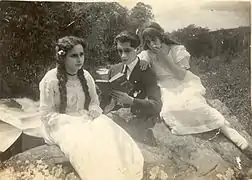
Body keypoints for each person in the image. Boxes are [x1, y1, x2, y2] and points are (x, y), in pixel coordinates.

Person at [137, 22, 252, 159]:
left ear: (161, 36)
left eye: (154, 40)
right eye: (148, 42)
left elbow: (180, 75)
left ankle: (229, 132)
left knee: (195, 104)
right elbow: (139, 57)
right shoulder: (147, 53)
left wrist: (164, 57)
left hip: (183, 82)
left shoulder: (177, 50)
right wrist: (143, 57)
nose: (152, 45)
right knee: (170, 109)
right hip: (166, 86)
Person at [39, 36, 144, 180]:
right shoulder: (50, 79)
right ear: (62, 58)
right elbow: (46, 114)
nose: (79, 59)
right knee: (85, 143)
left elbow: (94, 102)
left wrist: (94, 110)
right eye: (74, 56)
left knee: (111, 133)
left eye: (81, 55)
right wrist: (71, 120)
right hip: (60, 123)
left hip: (84, 116)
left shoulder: (86, 76)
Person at [103, 31, 162, 146]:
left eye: (127, 50)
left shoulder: (147, 72)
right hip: (117, 115)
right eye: (120, 51)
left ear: (138, 49)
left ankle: (143, 134)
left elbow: (156, 105)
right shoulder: (114, 70)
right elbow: (105, 99)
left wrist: (132, 101)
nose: (123, 55)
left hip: (140, 117)